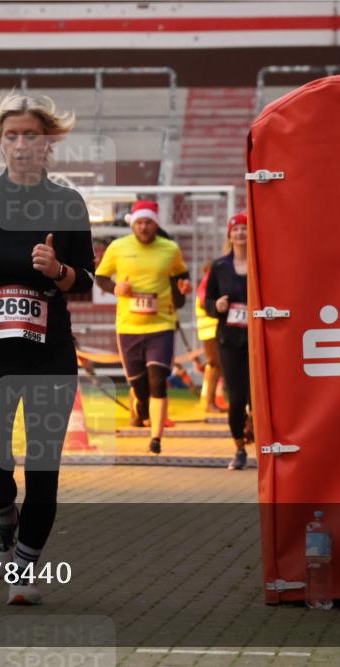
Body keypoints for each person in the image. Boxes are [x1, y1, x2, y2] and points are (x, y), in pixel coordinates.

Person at [0, 92, 95, 606]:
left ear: (48, 143)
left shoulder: (68, 203)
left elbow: (86, 283)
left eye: (31, 135)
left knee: (43, 469)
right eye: (12, 136)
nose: (21, 145)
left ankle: (24, 566)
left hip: (48, 352)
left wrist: (58, 271)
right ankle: (3, 516)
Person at [94, 199, 190, 454]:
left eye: (148, 222)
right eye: (139, 223)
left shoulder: (170, 249)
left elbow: (181, 277)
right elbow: (101, 277)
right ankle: (142, 408)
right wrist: (116, 288)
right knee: (139, 386)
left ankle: (156, 439)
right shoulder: (118, 247)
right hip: (129, 326)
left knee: (158, 380)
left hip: (161, 324)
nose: (144, 227)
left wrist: (183, 290)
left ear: (155, 223)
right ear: (133, 225)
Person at [204, 212, 251, 470]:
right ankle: (239, 447)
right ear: (230, 234)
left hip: (257, 340)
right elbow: (207, 302)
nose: (240, 233)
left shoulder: (260, 262)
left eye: (245, 229)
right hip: (230, 340)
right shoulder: (220, 266)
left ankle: (262, 441)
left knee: (258, 397)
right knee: (236, 397)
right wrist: (217, 305)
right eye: (236, 229)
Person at [194, 262, 227, 413]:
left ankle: (210, 401)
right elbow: (204, 302)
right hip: (211, 330)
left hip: (209, 330)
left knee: (215, 366)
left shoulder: (205, 285)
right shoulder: (207, 284)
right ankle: (210, 403)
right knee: (215, 365)